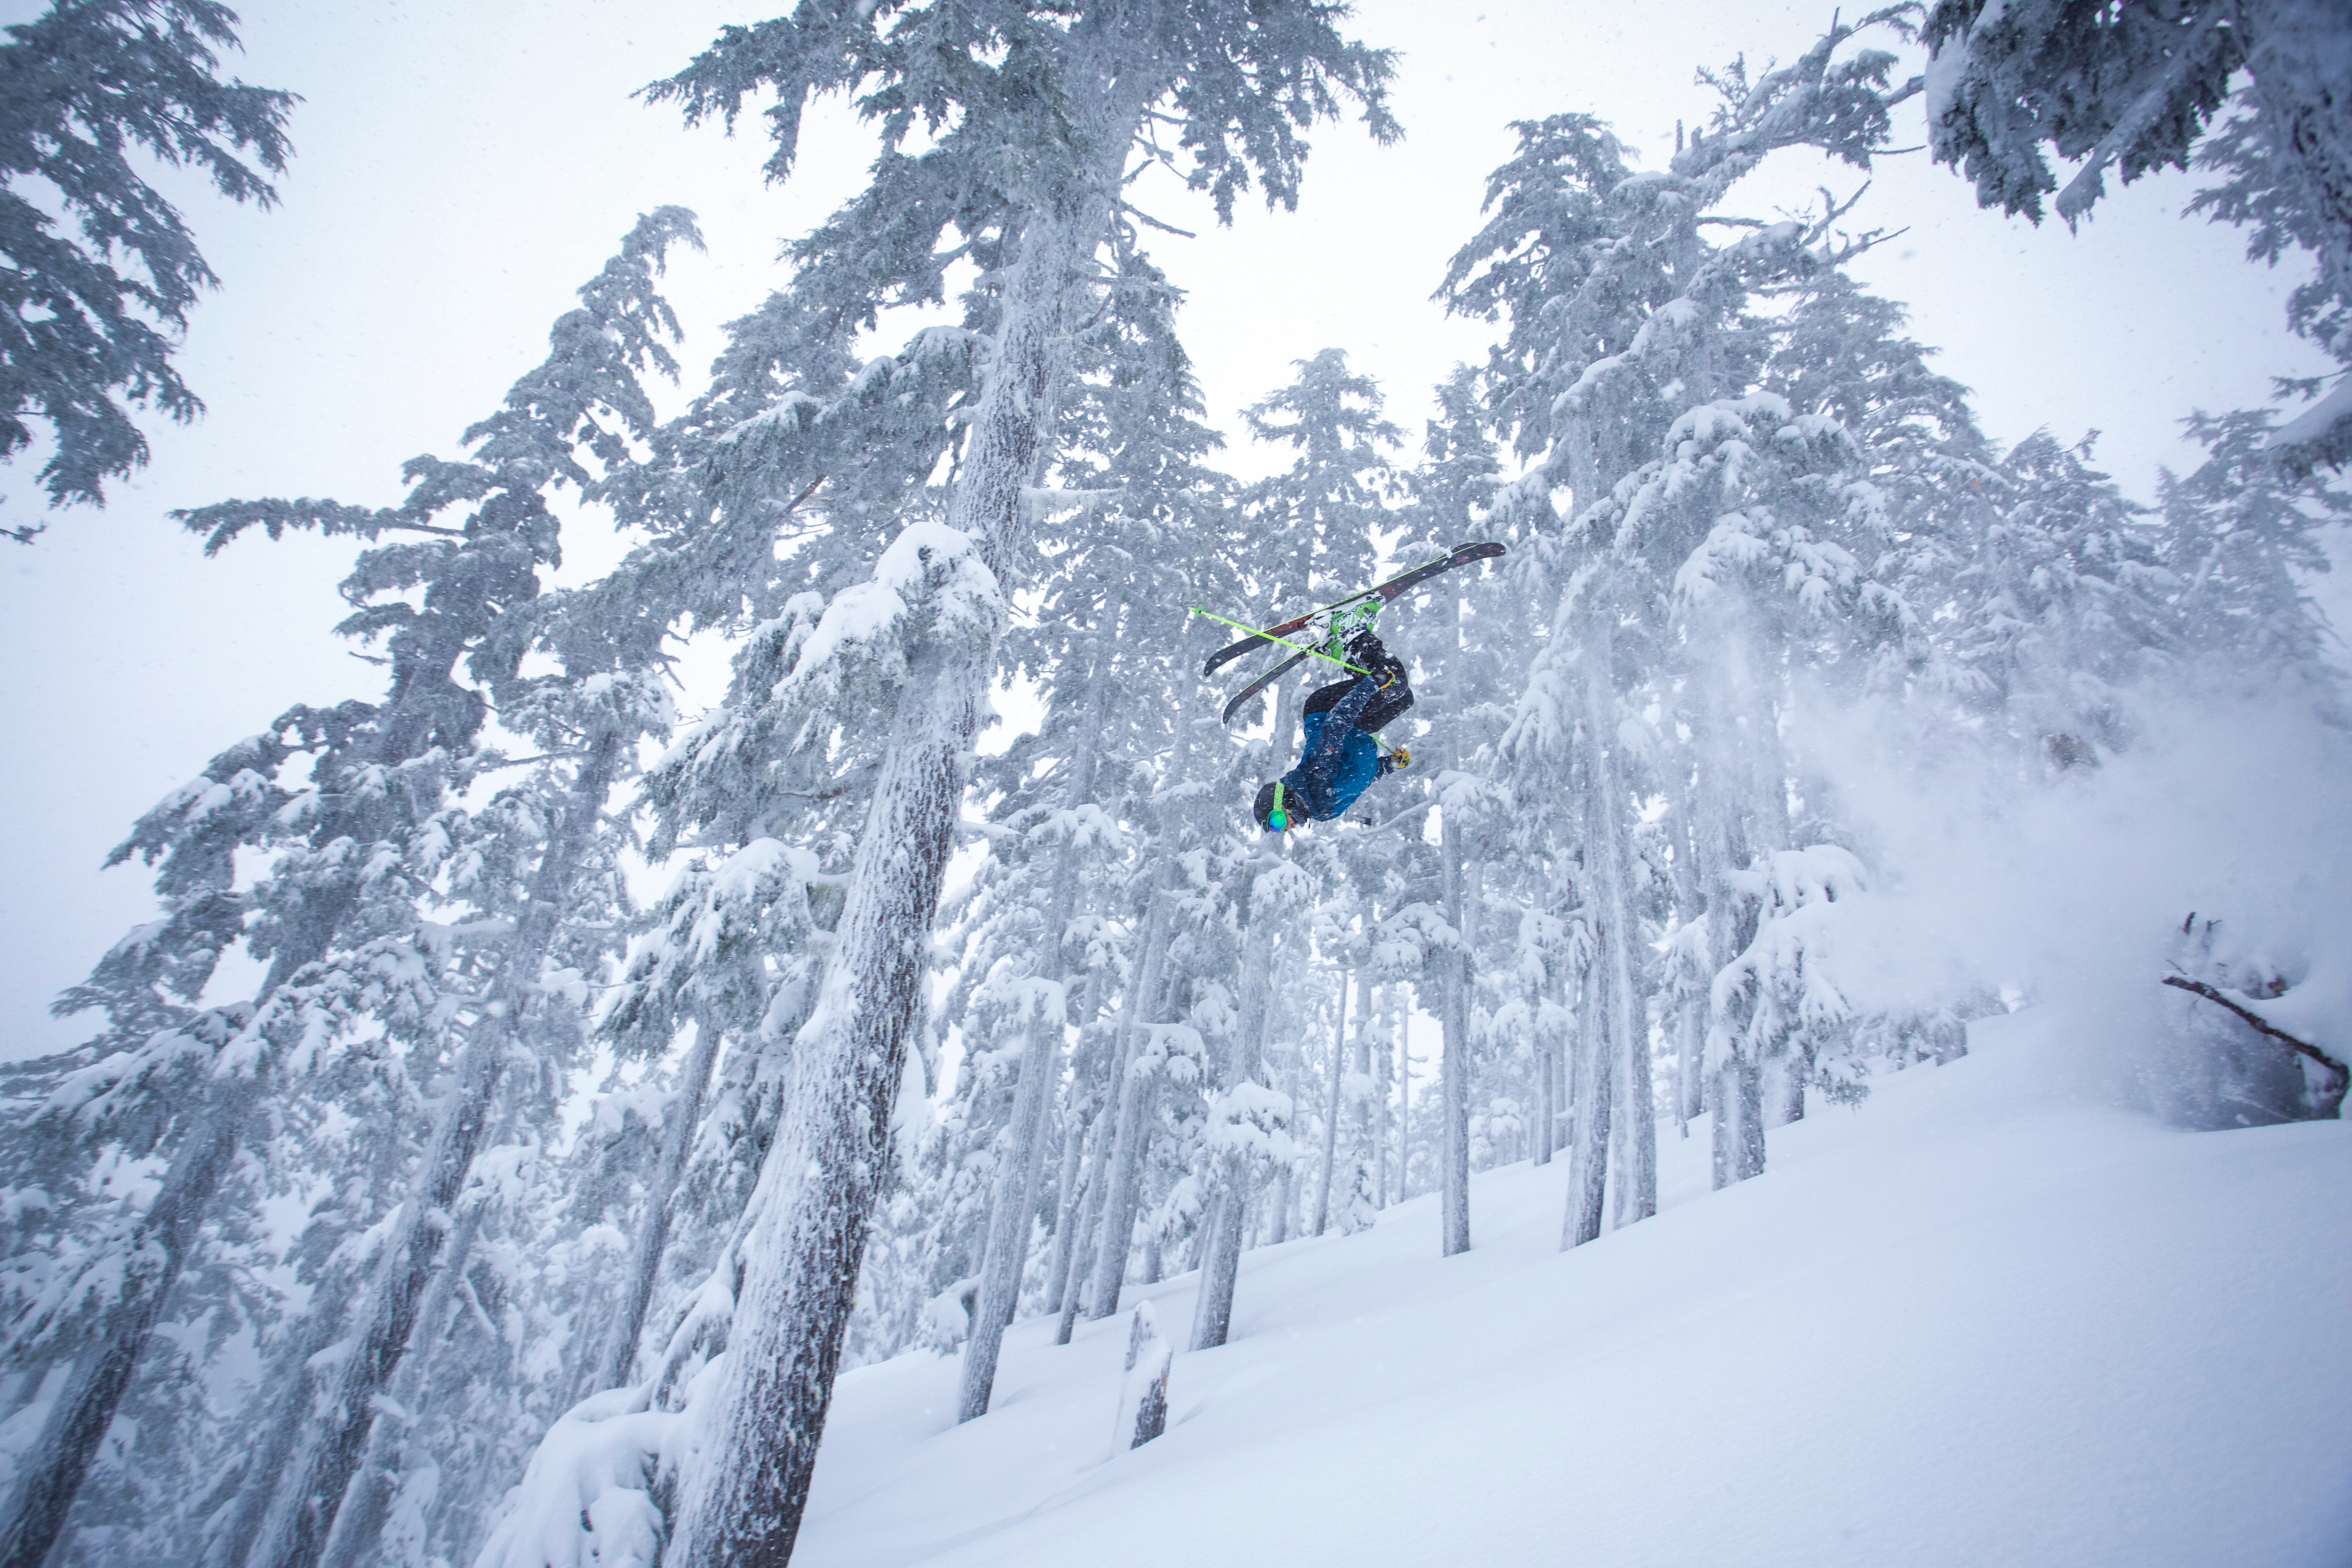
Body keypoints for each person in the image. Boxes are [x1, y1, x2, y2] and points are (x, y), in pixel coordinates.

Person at [1252, 632, 1413, 832]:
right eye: (1280, 829)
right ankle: (1346, 654)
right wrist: (1389, 765)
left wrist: (1370, 685)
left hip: (1325, 710)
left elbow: (1337, 723)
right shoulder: (1325, 812)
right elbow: (1360, 778)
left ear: (1282, 800)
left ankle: (1354, 637)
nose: (1288, 827)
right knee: (1405, 699)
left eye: (1278, 821)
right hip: (1355, 730)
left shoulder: (1314, 774)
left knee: (1394, 682)